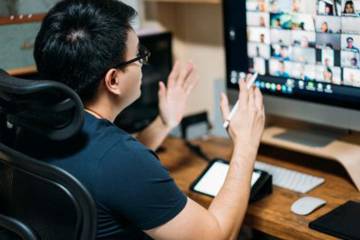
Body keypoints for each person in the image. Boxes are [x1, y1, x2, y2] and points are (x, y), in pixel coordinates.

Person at [19, 1, 266, 240]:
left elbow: (104, 171)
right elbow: (217, 236)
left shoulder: (31, 123)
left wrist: (164, 123)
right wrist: (246, 143)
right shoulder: (121, 161)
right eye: (139, 56)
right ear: (113, 80)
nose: (143, 64)